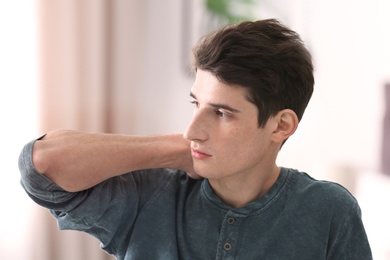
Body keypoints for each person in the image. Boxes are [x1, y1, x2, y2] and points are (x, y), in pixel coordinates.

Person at [19, 19, 372, 259]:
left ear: (281, 126)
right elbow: (42, 166)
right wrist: (175, 150)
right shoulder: (151, 197)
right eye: (196, 104)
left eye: (222, 113)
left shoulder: (328, 211)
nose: (192, 130)